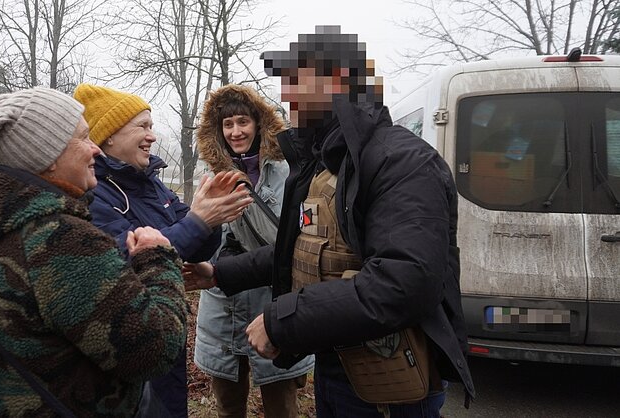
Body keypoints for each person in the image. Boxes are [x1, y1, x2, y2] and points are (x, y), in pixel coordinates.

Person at [183, 26, 476, 417]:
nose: (286, 95)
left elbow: (404, 280)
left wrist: (283, 321)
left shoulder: (401, 161)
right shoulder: (324, 164)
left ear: (336, 80)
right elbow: (296, 251)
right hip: (337, 365)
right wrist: (218, 273)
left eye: (295, 81)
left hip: (392, 383)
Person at [0, 87, 189, 417]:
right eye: (83, 137)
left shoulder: (1, 225)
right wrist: (157, 257)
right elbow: (152, 350)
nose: (95, 148)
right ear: (48, 155)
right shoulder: (59, 239)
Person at [73, 83, 253, 418]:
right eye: (141, 126)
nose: (152, 136)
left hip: (164, 332)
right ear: (109, 136)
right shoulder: (94, 193)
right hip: (129, 338)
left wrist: (210, 217)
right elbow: (125, 262)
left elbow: (197, 247)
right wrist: (199, 220)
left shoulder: (151, 183)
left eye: (151, 126)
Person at [194, 84, 314, 418]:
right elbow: (199, 241)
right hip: (222, 306)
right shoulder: (208, 177)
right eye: (227, 124)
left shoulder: (288, 170)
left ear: (258, 123)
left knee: (282, 404)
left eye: (242, 122)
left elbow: (301, 235)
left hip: (273, 300)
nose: (235, 131)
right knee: (228, 405)